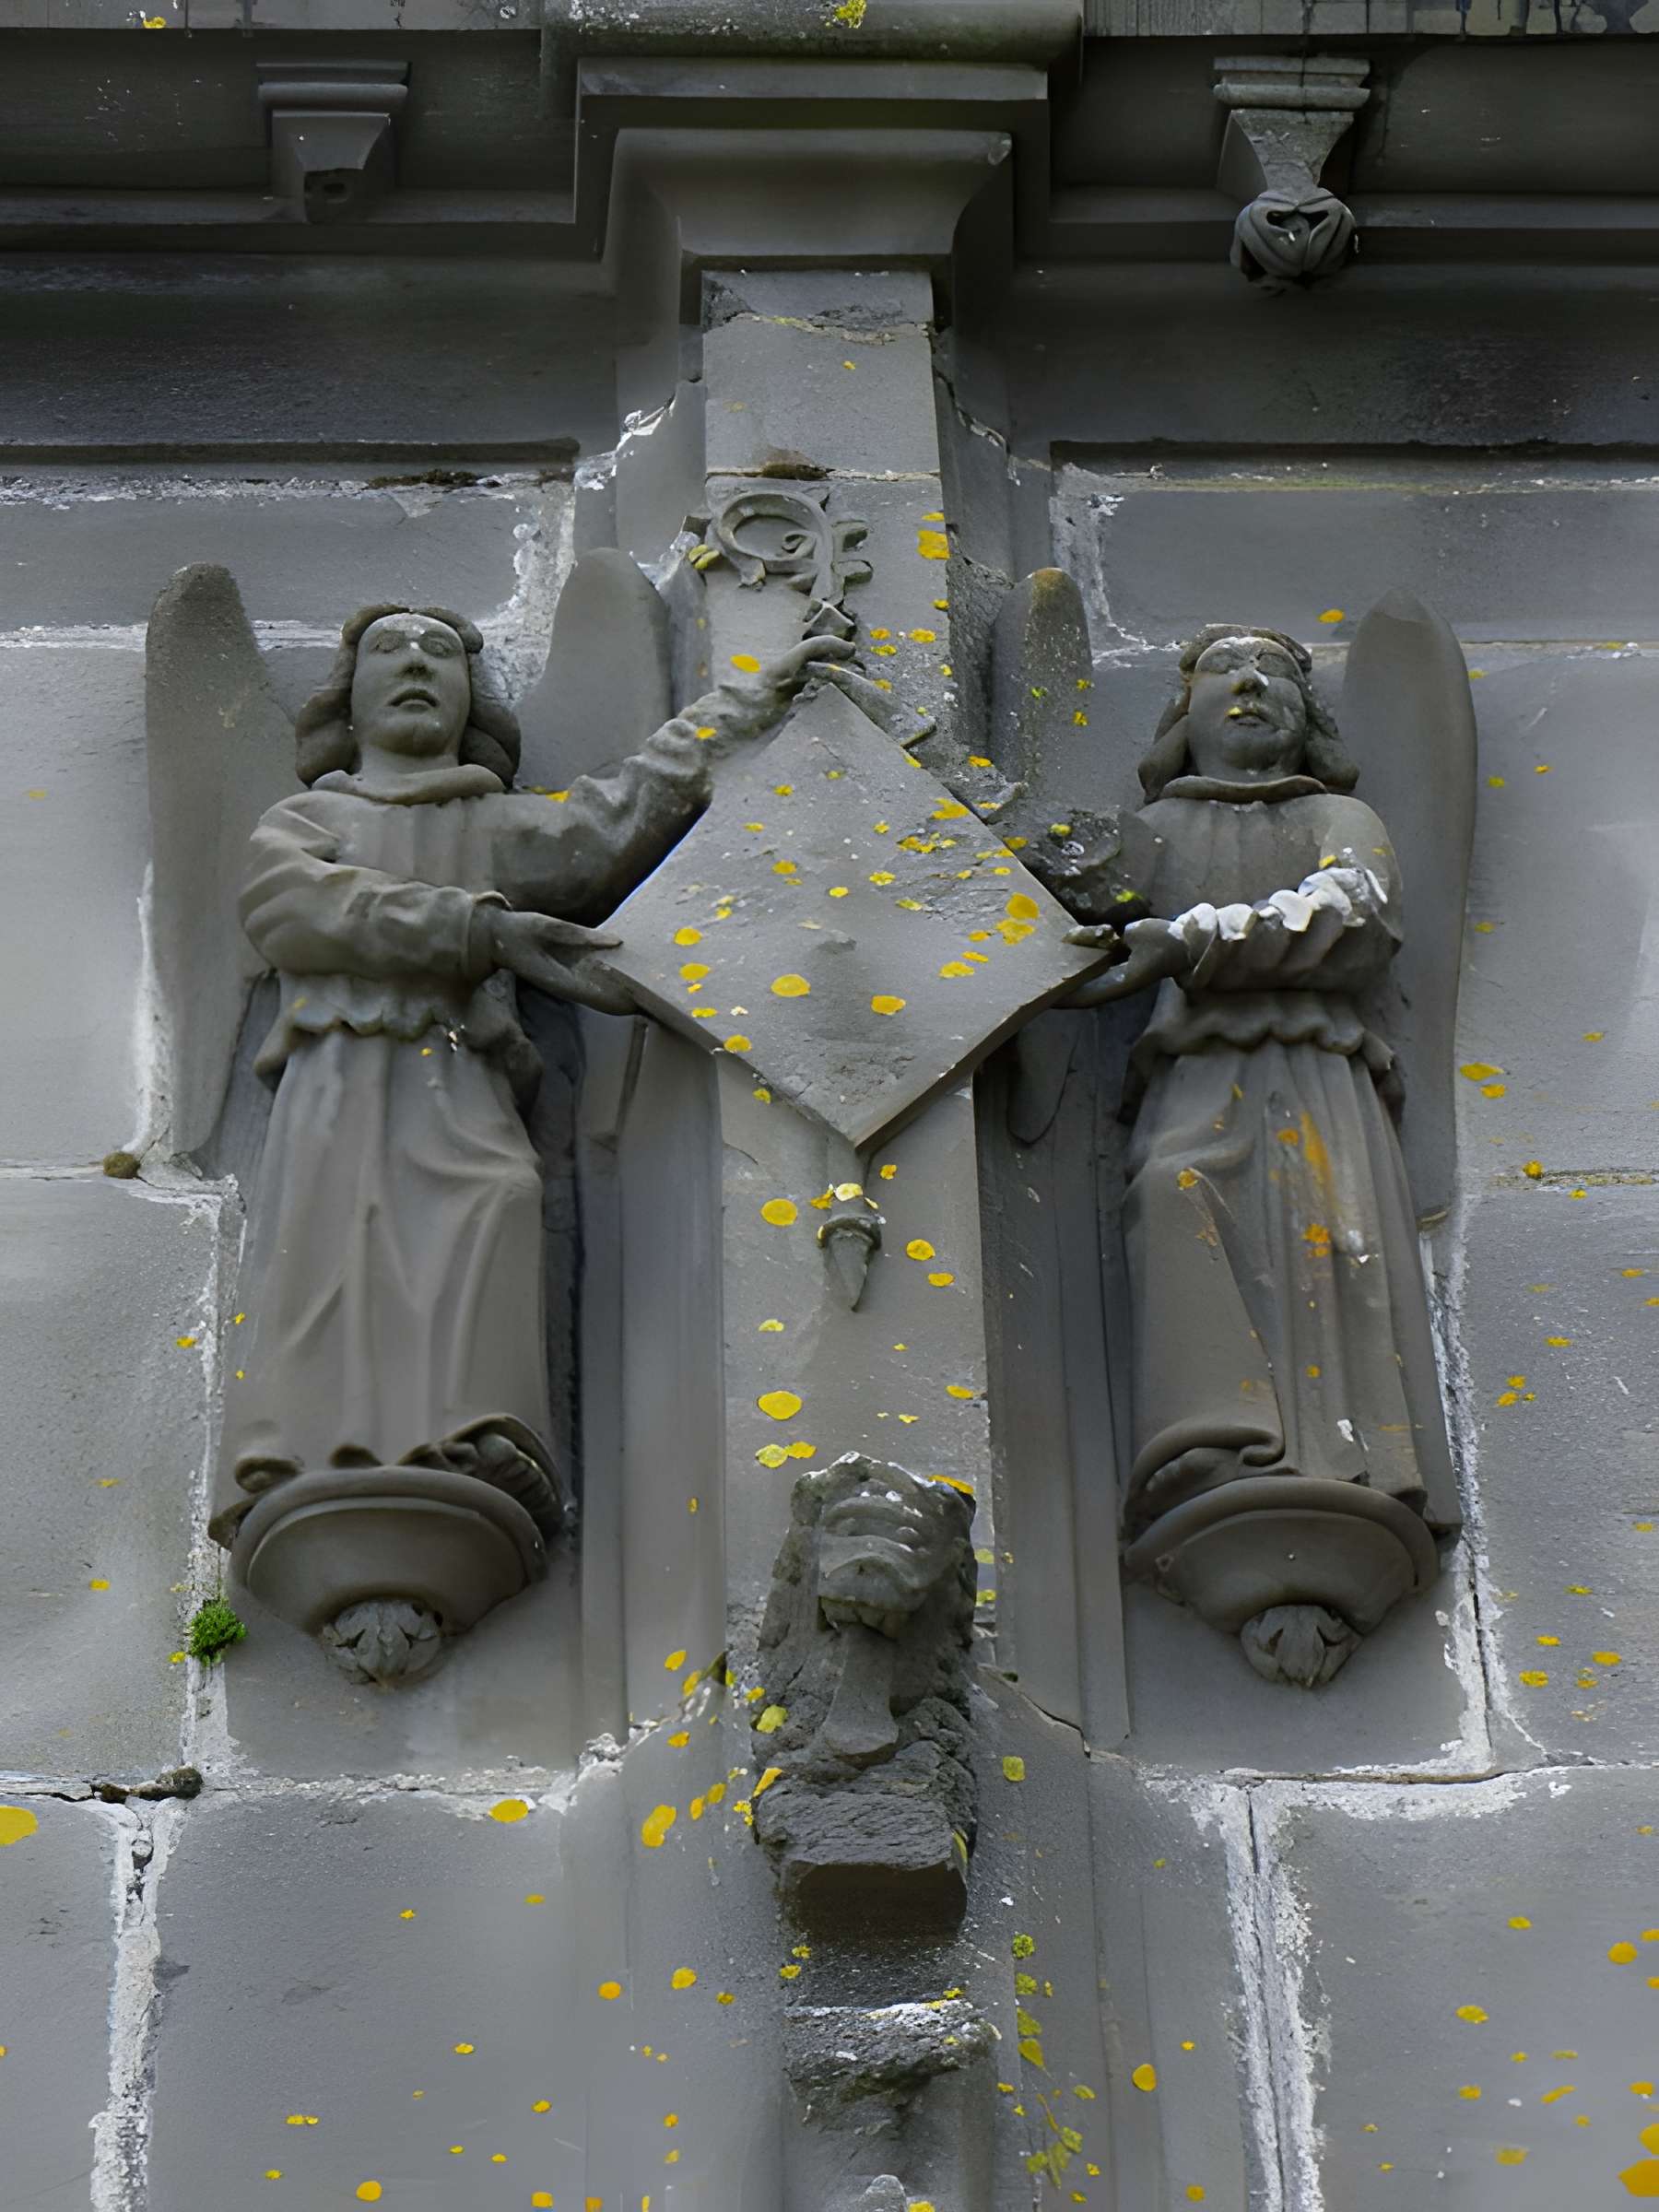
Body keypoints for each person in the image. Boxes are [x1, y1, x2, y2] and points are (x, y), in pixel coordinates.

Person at [211, 603, 851, 1586]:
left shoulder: (497, 827)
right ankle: (304, 1450)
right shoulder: (313, 819)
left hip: (464, 1071)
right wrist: (482, 934)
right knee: (337, 1250)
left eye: (441, 653)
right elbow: (291, 908)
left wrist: (746, 705)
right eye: (389, 650)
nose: (416, 664)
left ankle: (473, 1434)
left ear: (475, 700)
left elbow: (612, 820)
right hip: (342, 1073)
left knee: (498, 1204)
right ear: (349, 697)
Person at [1060, 626, 1453, 1685]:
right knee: (1174, 1186)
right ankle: (1213, 1443)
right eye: (1222, 676)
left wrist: (1191, 943)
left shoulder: (1335, 817)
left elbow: (1355, 914)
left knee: (1324, 1250)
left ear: (1306, 715)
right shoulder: (1152, 830)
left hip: (1312, 1076)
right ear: (1180, 717)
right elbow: (1070, 894)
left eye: (1274, 675)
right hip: (1197, 1076)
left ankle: (1336, 1454)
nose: (1247, 687)